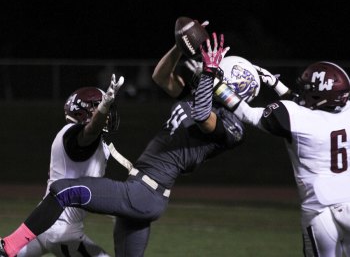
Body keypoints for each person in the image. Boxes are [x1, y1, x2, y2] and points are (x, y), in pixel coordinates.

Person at [0, 31, 259, 257]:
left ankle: (9, 246)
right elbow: (161, 77)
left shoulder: (231, 127)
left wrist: (209, 73)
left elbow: (203, 115)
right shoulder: (202, 100)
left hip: (147, 193)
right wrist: (180, 47)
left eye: (220, 72)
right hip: (139, 189)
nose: (213, 72)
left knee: (64, 190)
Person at [219, 61, 350, 256]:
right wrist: (276, 84)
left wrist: (217, 87)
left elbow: (247, 113)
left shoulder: (296, 118)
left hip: (319, 211)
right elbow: (309, 103)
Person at [16, 74, 124, 257]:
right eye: (98, 107)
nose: (106, 114)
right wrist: (104, 107)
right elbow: (89, 132)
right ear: (82, 113)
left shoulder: (94, 144)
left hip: (46, 221)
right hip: (62, 231)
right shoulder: (74, 135)